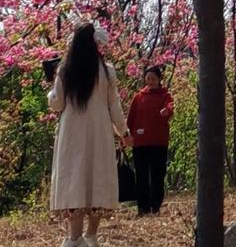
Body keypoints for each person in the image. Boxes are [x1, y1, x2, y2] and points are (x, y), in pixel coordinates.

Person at [49, 22, 132, 247]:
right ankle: (92, 236)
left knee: (74, 178)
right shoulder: (107, 71)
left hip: (72, 133)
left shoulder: (65, 70)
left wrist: (50, 92)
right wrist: (124, 131)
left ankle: (74, 237)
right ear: (96, 44)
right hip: (99, 131)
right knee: (98, 177)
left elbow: (56, 104)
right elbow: (113, 104)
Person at [126, 65, 174, 215]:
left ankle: (155, 206)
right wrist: (126, 135)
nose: (150, 81)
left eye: (153, 78)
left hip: (159, 141)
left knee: (157, 175)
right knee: (141, 176)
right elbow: (131, 118)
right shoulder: (138, 97)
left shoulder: (165, 95)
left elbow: (170, 107)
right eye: (148, 78)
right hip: (140, 142)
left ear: (159, 80)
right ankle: (142, 207)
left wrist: (167, 111)